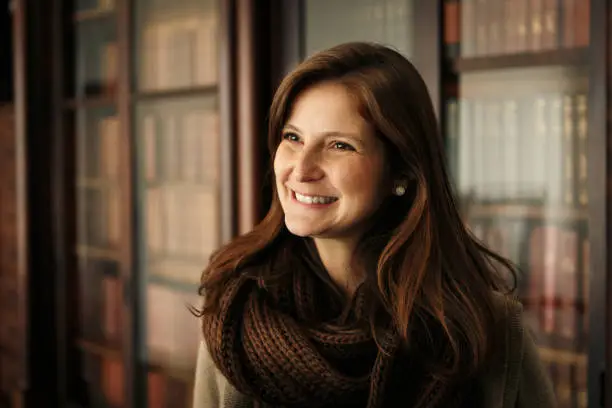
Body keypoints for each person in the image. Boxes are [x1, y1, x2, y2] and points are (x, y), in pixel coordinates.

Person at [192, 42, 556, 408]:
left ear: (401, 169)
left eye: (339, 146)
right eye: (293, 138)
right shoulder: (238, 312)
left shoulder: (485, 326)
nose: (301, 170)